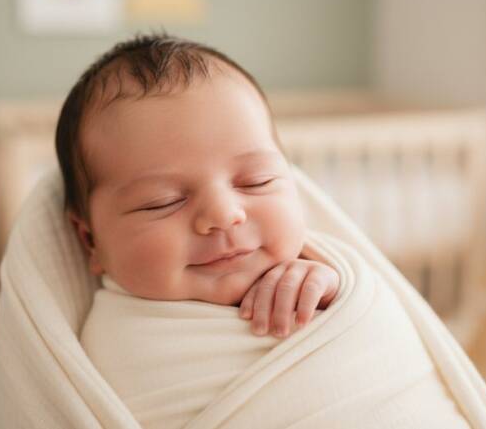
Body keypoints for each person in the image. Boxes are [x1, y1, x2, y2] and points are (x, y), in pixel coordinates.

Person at [56, 33, 340, 339]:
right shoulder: (110, 339)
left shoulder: (323, 279)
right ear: (90, 240)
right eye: (162, 201)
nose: (223, 215)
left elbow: (378, 332)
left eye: (256, 181)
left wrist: (334, 294)